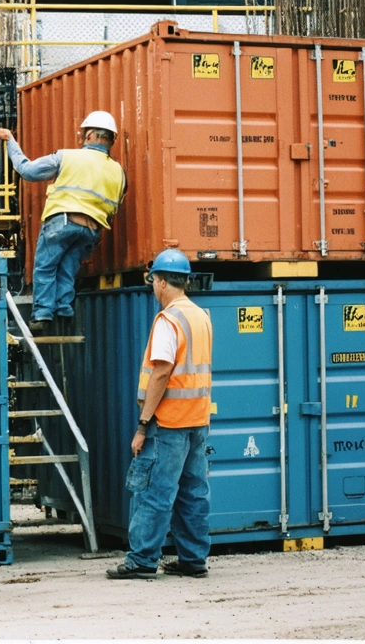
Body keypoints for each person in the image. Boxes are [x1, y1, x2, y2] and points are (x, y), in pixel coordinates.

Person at [107, 249, 213, 581]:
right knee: (193, 492)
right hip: (197, 419)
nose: (153, 286)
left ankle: (142, 560)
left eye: (153, 280)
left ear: (163, 282)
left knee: (155, 491)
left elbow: (162, 372)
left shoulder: (168, 320)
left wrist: (142, 424)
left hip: (169, 422)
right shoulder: (201, 316)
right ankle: (193, 559)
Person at [0, 111, 126, 331]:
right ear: (112, 139)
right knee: (67, 269)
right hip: (91, 230)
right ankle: (64, 310)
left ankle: (42, 314)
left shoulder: (67, 157)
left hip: (63, 222)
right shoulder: (118, 171)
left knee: (45, 267)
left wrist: (10, 140)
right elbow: (116, 203)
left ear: (90, 135)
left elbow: (28, 171)